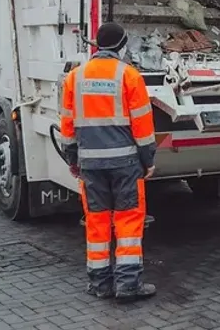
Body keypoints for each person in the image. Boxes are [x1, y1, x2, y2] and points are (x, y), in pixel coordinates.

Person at [60, 21, 158, 302]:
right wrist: (148, 160)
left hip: (91, 166)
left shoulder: (75, 77)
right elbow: (142, 126)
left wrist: (72, 159)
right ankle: (128, 285)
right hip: (125, 165)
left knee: (97, 223)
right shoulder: (129, 76)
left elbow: (68, 124)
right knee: (128, 223)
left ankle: (100, 284)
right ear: (121, 46)